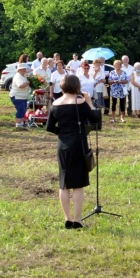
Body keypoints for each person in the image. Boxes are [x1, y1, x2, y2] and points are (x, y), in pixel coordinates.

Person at [45, 74, 100, 229]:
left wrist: (62, 134)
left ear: (62, 86)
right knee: (78, 184)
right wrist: (89, 102)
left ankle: (67, 218)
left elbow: (49, 127)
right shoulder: (80, 102)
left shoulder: (56, 103)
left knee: (64, 184)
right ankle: (77, 219)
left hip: (62, 145)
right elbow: (95, 119)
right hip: (78, 144)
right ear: (76, 86)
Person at [9, 63, 31, 129]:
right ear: (19, 70)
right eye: (22, 69)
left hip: (23, 96)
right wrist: (28, 83)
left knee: (23, 109)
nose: (24, 70)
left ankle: (21, 123)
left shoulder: (23, 76)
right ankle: (18, 124)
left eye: (24, 69)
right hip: (17, 96)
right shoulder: (17, 76)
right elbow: (20, 85)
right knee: (20, 109)